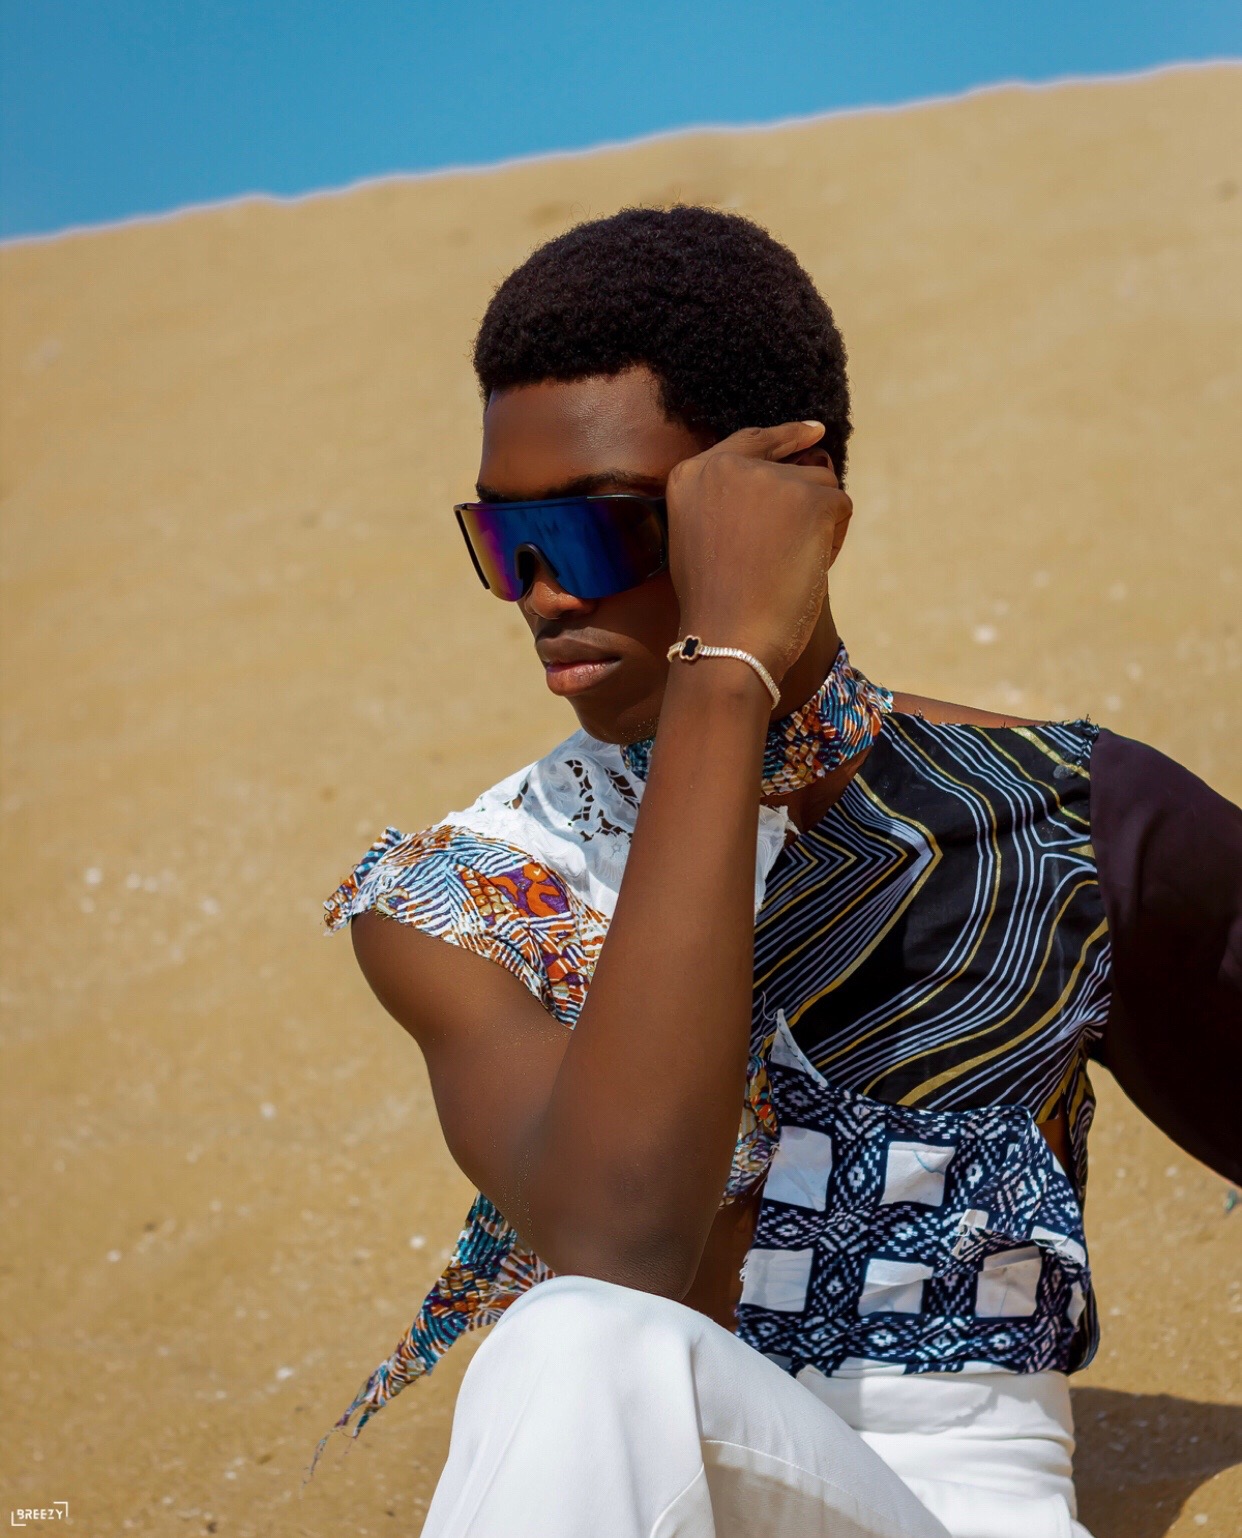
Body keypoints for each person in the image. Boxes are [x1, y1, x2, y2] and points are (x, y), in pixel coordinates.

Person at [309, 207, 1241, 1537]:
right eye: (505, 542)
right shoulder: (468, 896)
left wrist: (728, 661)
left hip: (958, 1499)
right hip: (636, 1477)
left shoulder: (1059, 817)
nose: (544, 594)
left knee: (572, 1347)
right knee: (568, 1341)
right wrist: (725, 678)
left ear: (790, 497)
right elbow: (622, 1239)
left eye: (598, 530)